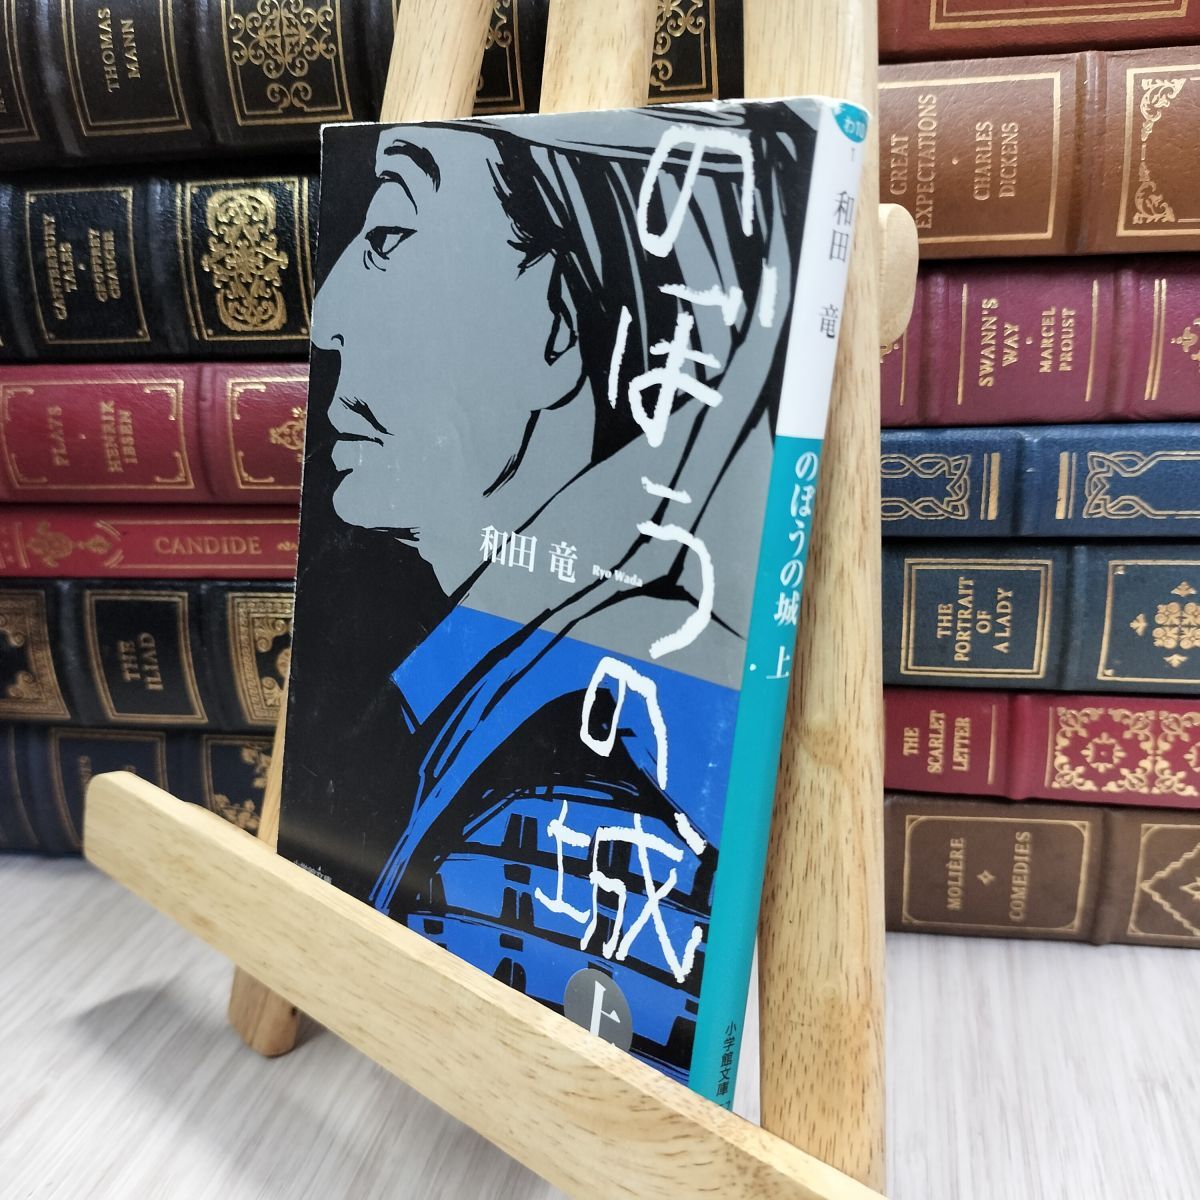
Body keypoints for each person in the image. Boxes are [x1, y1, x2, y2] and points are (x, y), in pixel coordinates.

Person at [292, 104, 815, 1078]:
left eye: (393, 232)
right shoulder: (474, 694)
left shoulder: (577, 798)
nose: (328, 319)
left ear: (563, 320)